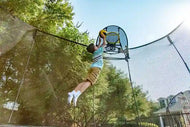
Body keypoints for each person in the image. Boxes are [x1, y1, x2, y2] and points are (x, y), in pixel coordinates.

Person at [67, 30, 107, 106]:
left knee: (84, 82)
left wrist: (99, 41)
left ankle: (73, 93)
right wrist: (104, 38)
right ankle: (77, 94)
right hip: (96, 68)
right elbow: (104, 44)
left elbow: (98, 46)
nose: (96, 46)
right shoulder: (98, 51)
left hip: (92, 67)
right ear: (95, 49)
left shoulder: (95, 52)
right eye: (95, 46)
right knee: (89, 82)